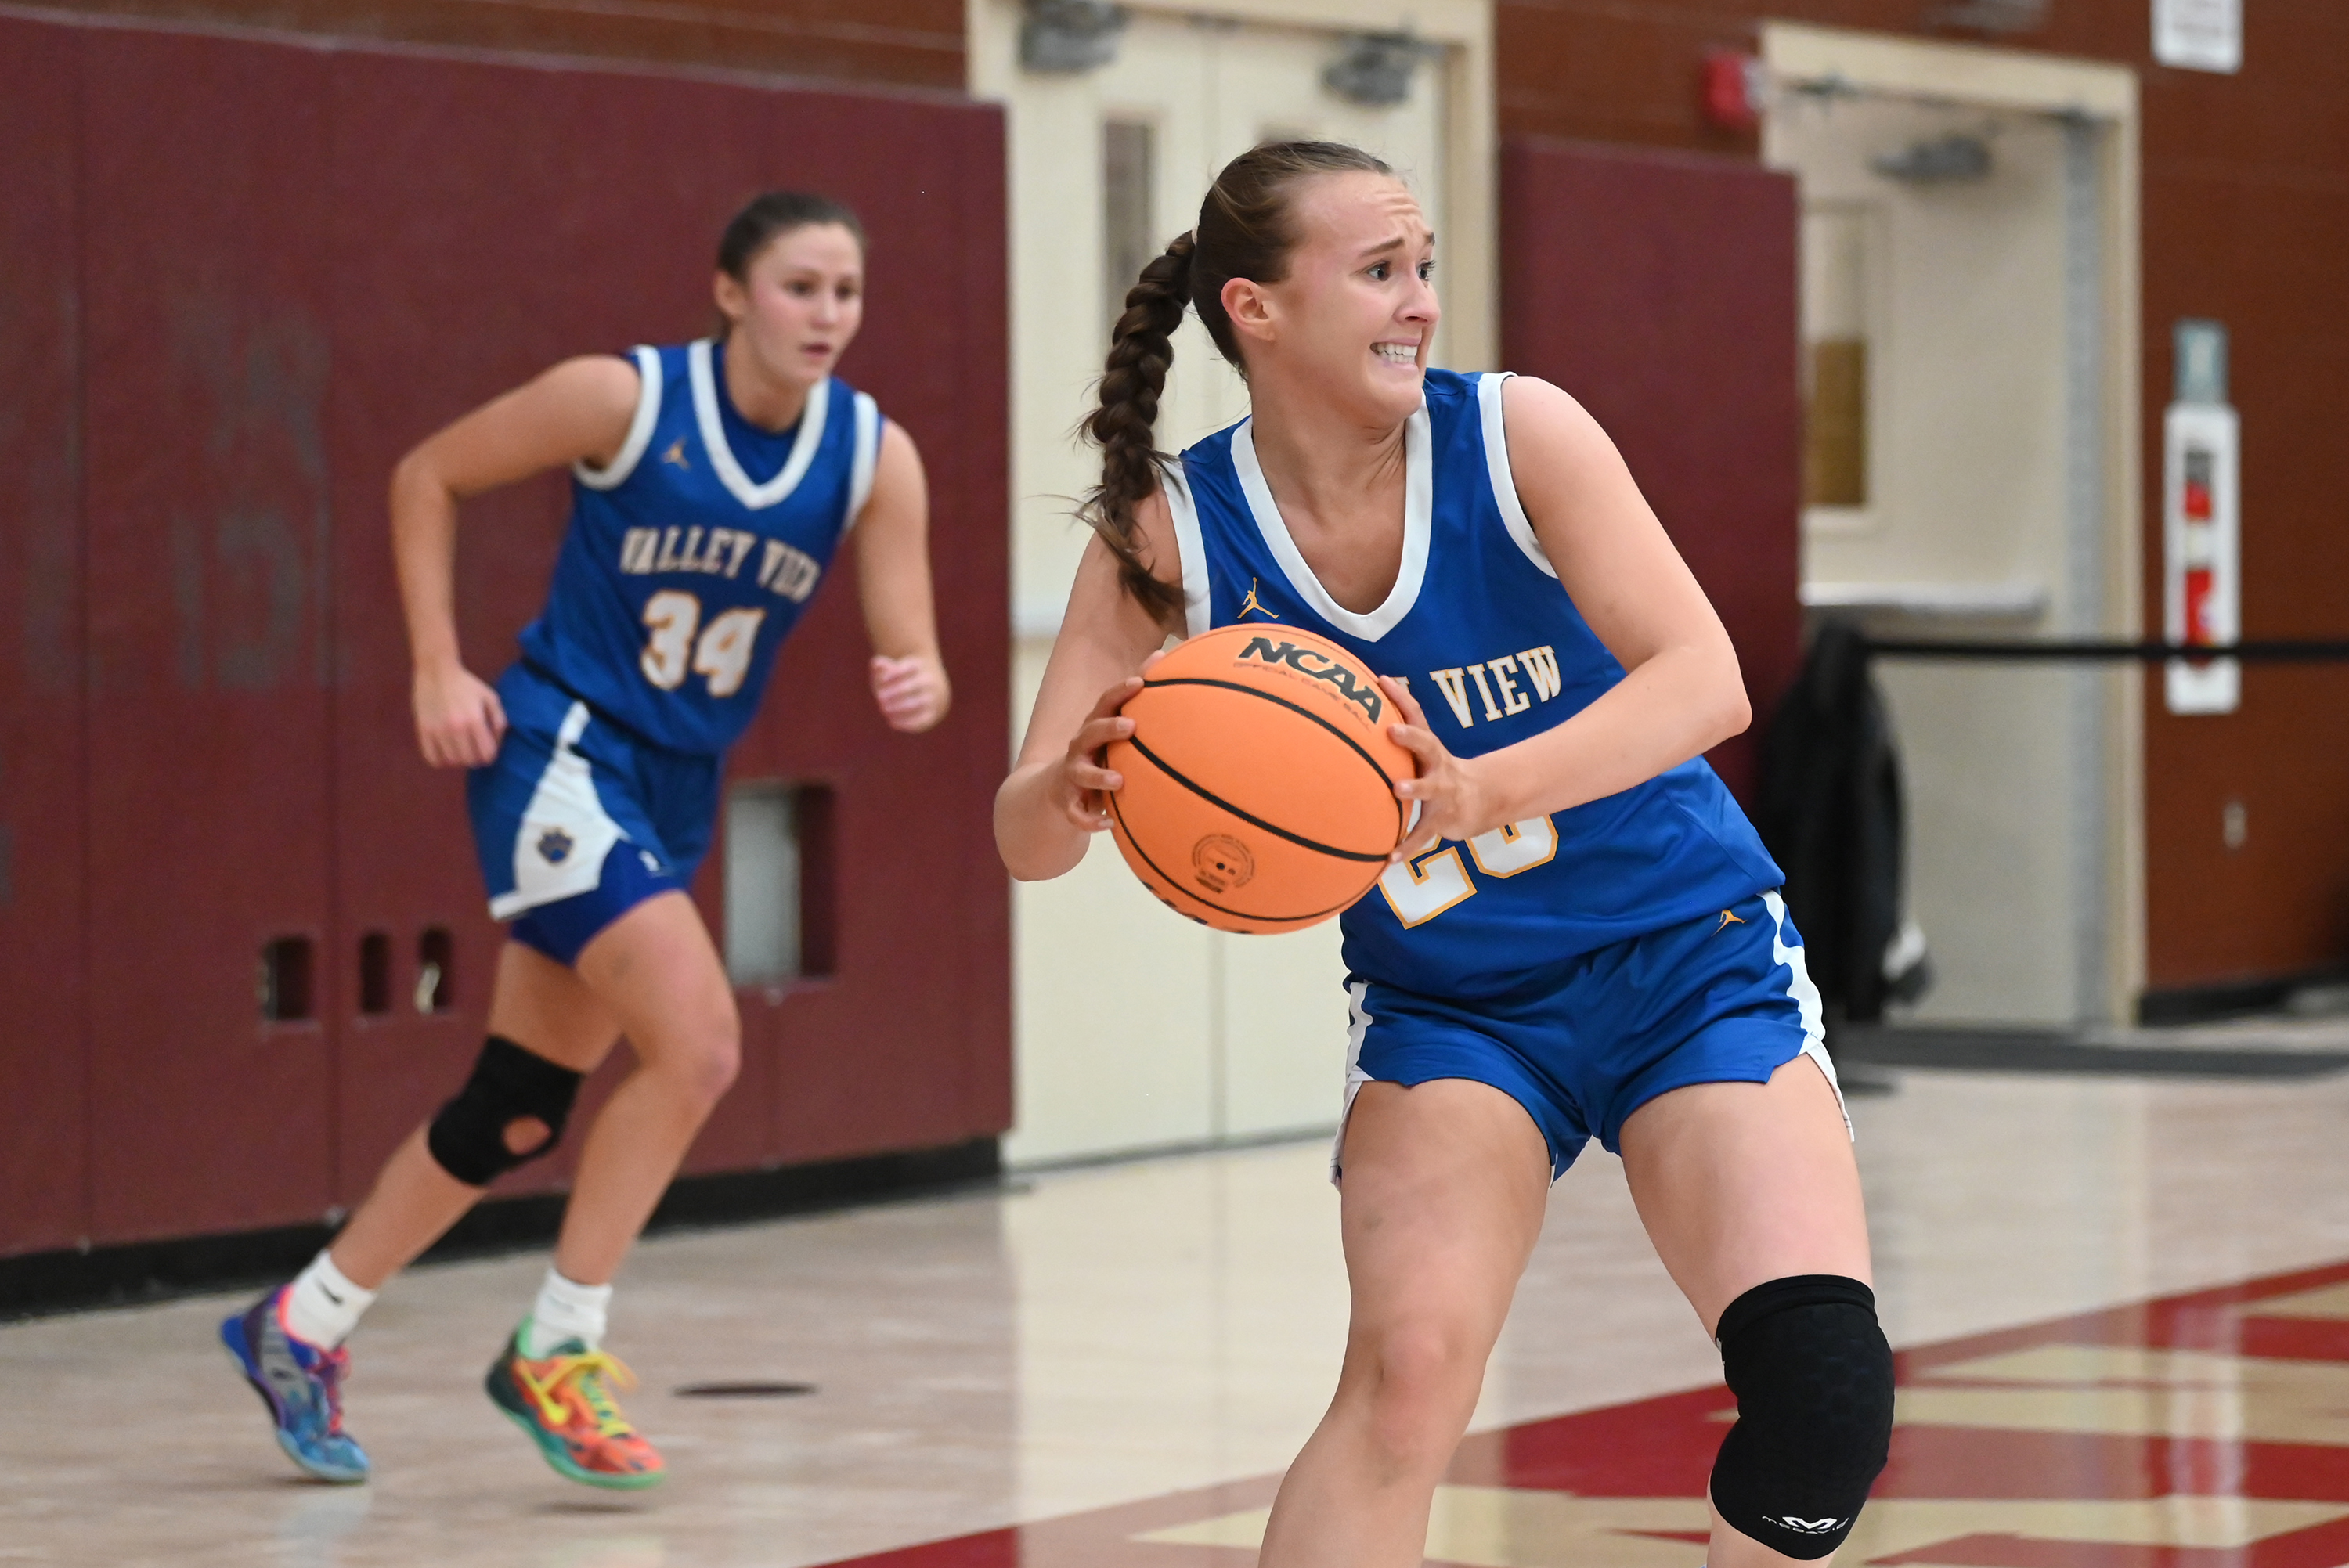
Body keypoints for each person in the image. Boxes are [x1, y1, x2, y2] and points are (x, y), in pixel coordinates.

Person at [995, 142, 1893, 1568]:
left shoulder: (1518, 435)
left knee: (1822, 1400)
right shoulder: (1171, 533)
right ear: (1257, 310)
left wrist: (1472, 789)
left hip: (1692, 961)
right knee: (1406, 1382)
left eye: (1424, 268)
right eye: (1378, 271)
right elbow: (1028, 836)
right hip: (1459, 1009)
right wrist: (1080, 783)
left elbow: (1704, 681)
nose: (1420, 301)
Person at [222, 190, 951, 1490]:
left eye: (846, 291)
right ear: (731, 292)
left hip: (674, 792)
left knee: (515, 1112)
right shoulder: (622, 400)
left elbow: (917, 646)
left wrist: (921, 682)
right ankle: (561, 1346)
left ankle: (300, 1324)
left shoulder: (870, 456)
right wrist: (438, 669)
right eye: (799, 287)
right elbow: (425, 476)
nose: (827, 315)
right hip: (560, 756)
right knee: (703, 1043)